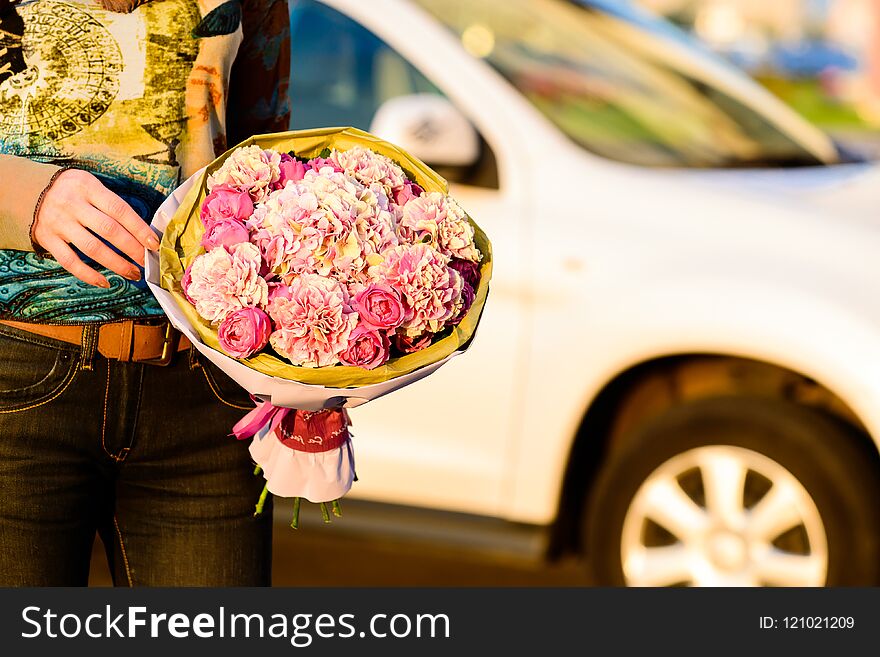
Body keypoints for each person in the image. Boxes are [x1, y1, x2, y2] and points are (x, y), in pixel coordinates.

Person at [0, 0, 290, 586]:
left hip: (208, 395)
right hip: (17, 381)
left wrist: (302, 371)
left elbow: (271, 171)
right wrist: (22, 194)